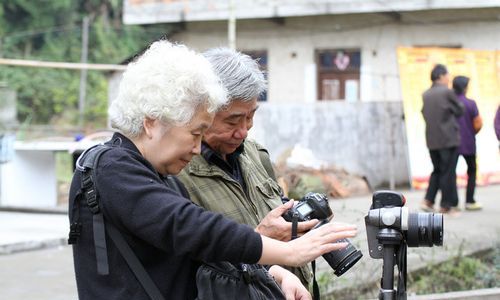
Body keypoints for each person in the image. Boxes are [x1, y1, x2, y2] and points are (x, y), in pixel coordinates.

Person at [67, 40, 357, 300]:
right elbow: (189, 227)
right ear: (152, 122)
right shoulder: (112, 169)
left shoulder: (164, 179)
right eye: (195, 134)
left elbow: (200, 258)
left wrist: (275, 274)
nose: (197, 149)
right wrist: (288, 252)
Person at [177, 48, 317, 287]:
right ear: (201, 111)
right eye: (232, 121)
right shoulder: (177, 172)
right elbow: (183, 268)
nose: (243, 131)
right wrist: (258, 239)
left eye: (251, 117)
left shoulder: (255, 154)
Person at [420, 64, 464, 215]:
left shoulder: (426, 94)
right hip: (448, 138)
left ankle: (428, 200)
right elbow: (460, 109)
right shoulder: (447, 92)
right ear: (440, 76)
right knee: (448, 172)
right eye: (447, 75)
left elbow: (424, 113)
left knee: (437, 170)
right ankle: (445, 205)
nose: (448, 78)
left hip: (432, 139)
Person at [452, 76, 483, 211]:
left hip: (451, 144)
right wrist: (471, 132)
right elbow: (478, 123)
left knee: (450, 173)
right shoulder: (471, 103)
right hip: (468, 142)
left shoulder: (450, 103)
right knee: (472, 171)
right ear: (465, 87)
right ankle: (470, 201)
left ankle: (453, 203)